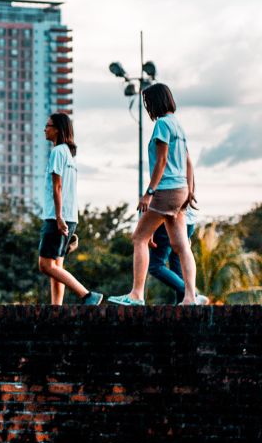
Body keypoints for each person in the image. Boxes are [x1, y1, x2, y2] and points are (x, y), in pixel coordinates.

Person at [108, 83, 200, 306]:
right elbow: (188, 161)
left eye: (147, 103)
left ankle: (137, 295)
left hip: (166, 190)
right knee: (181, 246)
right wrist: (191, 190)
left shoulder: (162, 125)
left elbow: (161, 160)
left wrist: (149, 193)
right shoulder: (179, 125)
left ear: (154, 103)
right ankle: (190, 297)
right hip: (181, 191)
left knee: (139, 237)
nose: (147, 107)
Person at [37, 113, 103, 305]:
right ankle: (56, 308)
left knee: (45, 264)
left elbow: (57, 187)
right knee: (57, 264)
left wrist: (58, 217)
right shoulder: (69, 154)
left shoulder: (58, 152)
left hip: (57, 217)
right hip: (70, 216)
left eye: (48, 126)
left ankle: (87, 295)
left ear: (57, 129)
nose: (45, 129)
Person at [147, 207, 209, 304]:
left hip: (168, 218)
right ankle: (185, 301)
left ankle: (192, 295)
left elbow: (162, 196)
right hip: (189, 220)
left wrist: (151, 225)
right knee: (177, 264)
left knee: (156, 265)